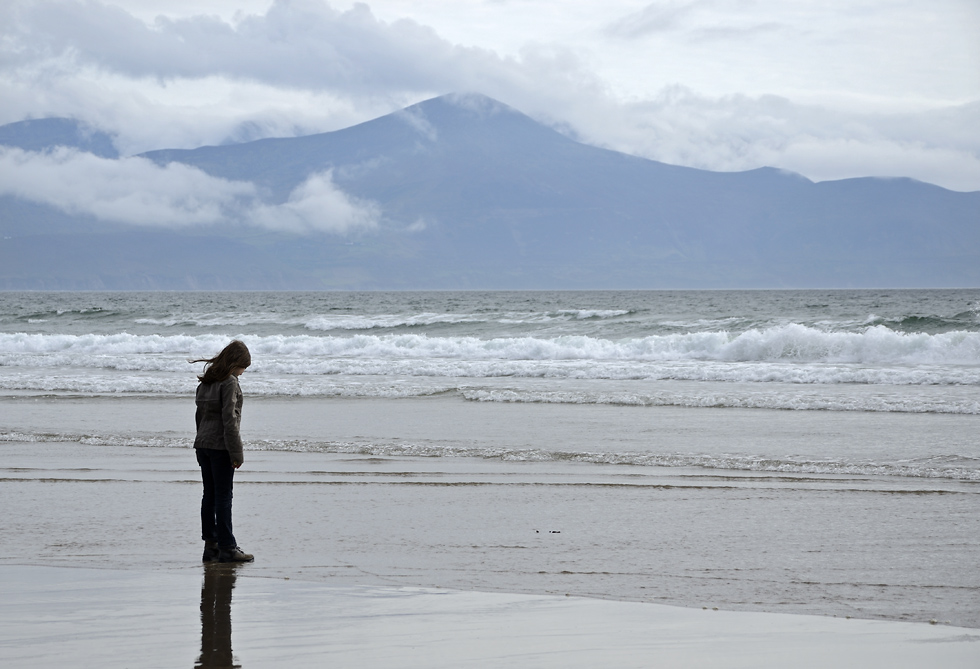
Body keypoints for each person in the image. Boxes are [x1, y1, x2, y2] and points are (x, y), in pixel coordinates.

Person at [191, 340, 254, 563]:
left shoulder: (206, 383)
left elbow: (199, 417)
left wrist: (201, 441)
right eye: (243, 367)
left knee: (209, 495)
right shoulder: (229, 383)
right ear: (236, 363)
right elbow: (230, 420)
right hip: (220, 447)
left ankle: (211, 546)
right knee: (224, 497)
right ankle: (228, 546)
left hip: (203, 444)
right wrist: (237, 453)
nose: (243, 372)